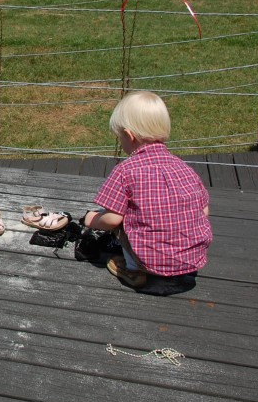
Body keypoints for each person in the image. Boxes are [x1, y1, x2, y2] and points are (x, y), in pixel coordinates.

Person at [83, 91, 212, 290]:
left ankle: (134, 269)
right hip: (190, 262)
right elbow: (204, 212)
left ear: (129, 135)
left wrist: (90, 219)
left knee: (122, 219)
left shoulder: (126, 170)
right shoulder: (185, 168)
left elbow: (112, 220)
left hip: (150, 263)